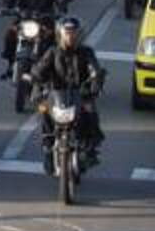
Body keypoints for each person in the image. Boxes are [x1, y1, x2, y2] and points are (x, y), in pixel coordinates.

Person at [28, 17, 106, 174]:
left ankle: (89, 149)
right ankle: (48, 151)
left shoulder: (86, 52)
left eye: (73, 33)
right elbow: (39, 70)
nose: (70, 36)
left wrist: (96, 82)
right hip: (56, 95)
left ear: (79, 34)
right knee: (44, 112)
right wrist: (36, 80)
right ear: (60, 34)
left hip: (79, 94)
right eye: (67, 33)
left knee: (90, 112)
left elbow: (94, 69)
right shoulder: (52, 52)